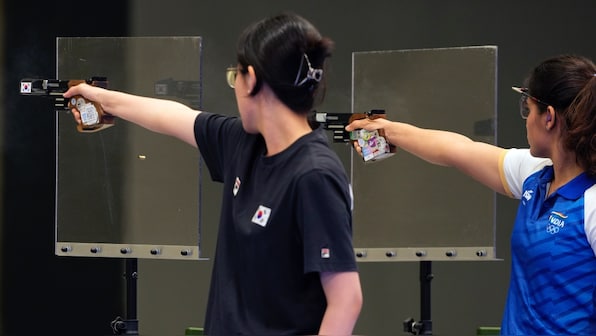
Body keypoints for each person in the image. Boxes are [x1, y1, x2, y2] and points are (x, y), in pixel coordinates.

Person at [64, 12, 362, 336]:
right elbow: (177, 116)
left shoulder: (313, 175)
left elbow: (346, 299)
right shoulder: (243, 142)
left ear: (252, 79)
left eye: (235, 77)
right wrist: (104, 99)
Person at [346, 54, 596, 335]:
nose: (526, 121)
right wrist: (386, 130)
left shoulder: (591, 205)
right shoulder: (535, 173)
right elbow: (457, 149)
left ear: (548, 117)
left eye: (528, 110)